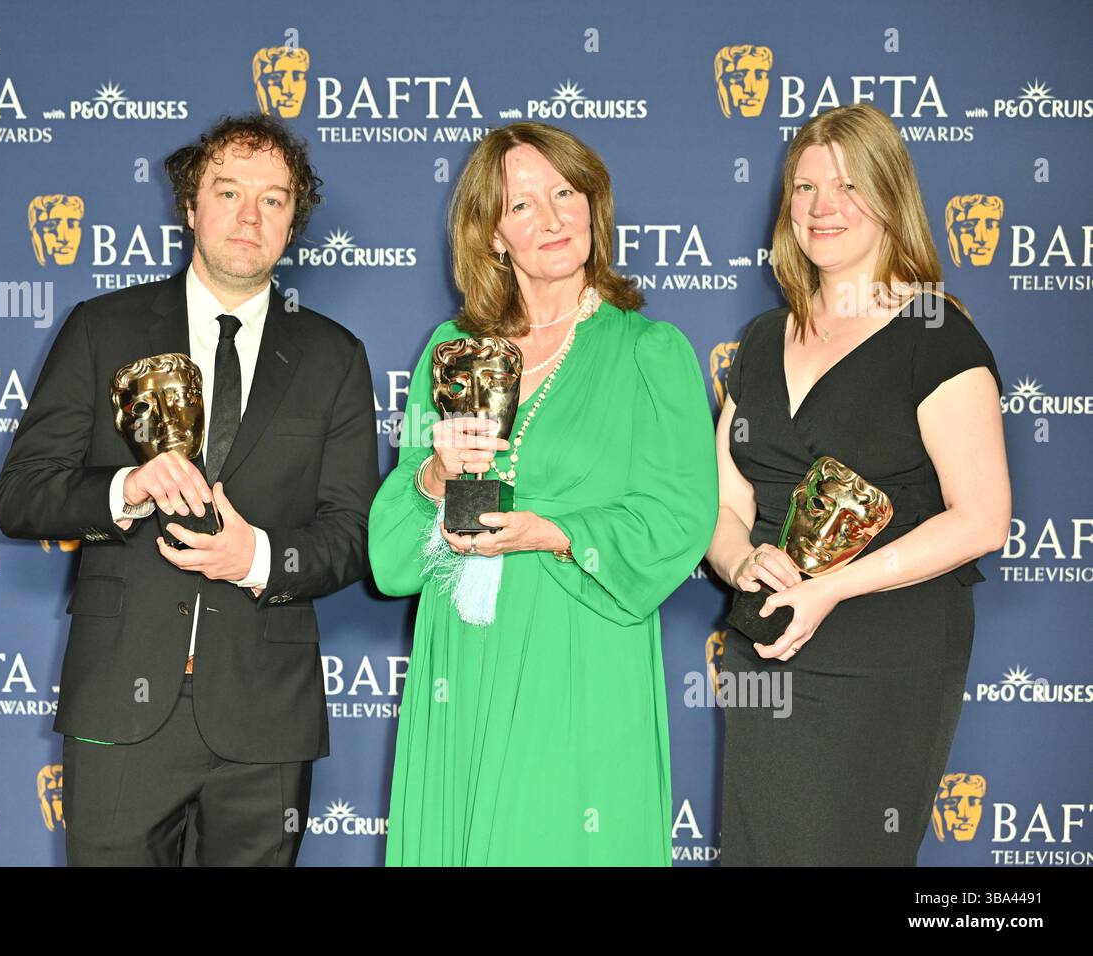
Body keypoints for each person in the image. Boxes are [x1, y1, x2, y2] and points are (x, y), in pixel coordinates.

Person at [0, 112, 378, 866]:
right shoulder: (102, 327)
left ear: (294, 222)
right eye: (228, 191)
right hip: (121, 699)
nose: (249, 215)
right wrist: (127, 487)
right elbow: (22, 496)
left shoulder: (335, 357)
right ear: (190, 206)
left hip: (265, 717)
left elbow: (354, 533)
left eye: (273, 199)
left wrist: (257, 557)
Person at [368, 121, 718, 865]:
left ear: (594, 205)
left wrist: (553, 532)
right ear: (493, 235)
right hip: (461, 663)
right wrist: (433, 476)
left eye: (566, 192)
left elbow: (679, 517)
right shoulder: (449, 351)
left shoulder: (649, 352)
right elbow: (394, 556)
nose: (553, 217)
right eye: (522, 205)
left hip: (578, 651)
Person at [706, 103, 1011, 865]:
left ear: (889, 196)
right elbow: (724, 499)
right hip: (766, 645)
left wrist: (833, 587)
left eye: (846, 186)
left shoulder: (936, 334)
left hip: (884, 652)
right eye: (805, 189)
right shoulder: (762, 339)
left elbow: (982, 519)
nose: (822, 208)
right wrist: (740, 559)